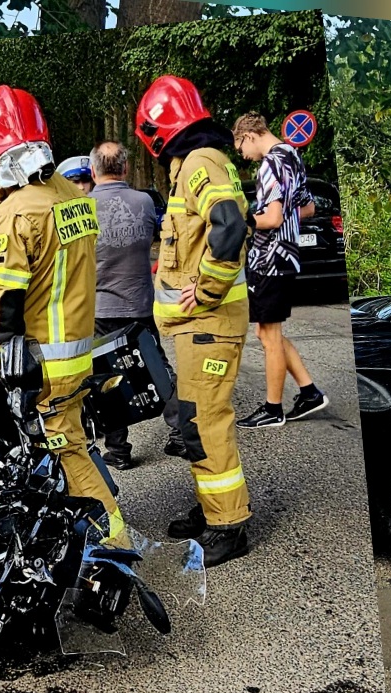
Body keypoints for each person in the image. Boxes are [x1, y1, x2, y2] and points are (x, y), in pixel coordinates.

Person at [0, 83, 126, 544]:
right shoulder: (69, 193)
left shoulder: (17, 212)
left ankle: (113, 545)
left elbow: (7, 303)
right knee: (68, 446)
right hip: (75, 354)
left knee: (69, 456)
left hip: (41, 368)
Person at [135, 75, 251, 565]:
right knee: (192, 420)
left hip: (210, 323)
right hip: (197, 329)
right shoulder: (196, 164)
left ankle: (229, 524)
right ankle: (212, 506)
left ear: (158, 131)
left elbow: (230, 226)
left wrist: (205, 290)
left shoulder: (201, 163)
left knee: (205, 421)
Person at [87, 139, 184, 469]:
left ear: (93, 171)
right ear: (126, 168)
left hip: (100, 307)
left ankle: (118, 451)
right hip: (140, 302)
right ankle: (181, 432)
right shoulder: (144, 201)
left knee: (105, 377)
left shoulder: (82, 208)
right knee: (157, 366)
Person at [231, 113, 328, 428]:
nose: (244, 156)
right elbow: (309, 208)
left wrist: (241, 221)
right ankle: (309, 392)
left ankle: (273, 409)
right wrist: (286, 216)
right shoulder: (292, 156)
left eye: (241, 148)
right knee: (266, 331)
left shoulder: (271, 164)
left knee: (269, 336)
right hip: (286, 257)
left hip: (270, 260)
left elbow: (271, 219)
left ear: (249, 135)